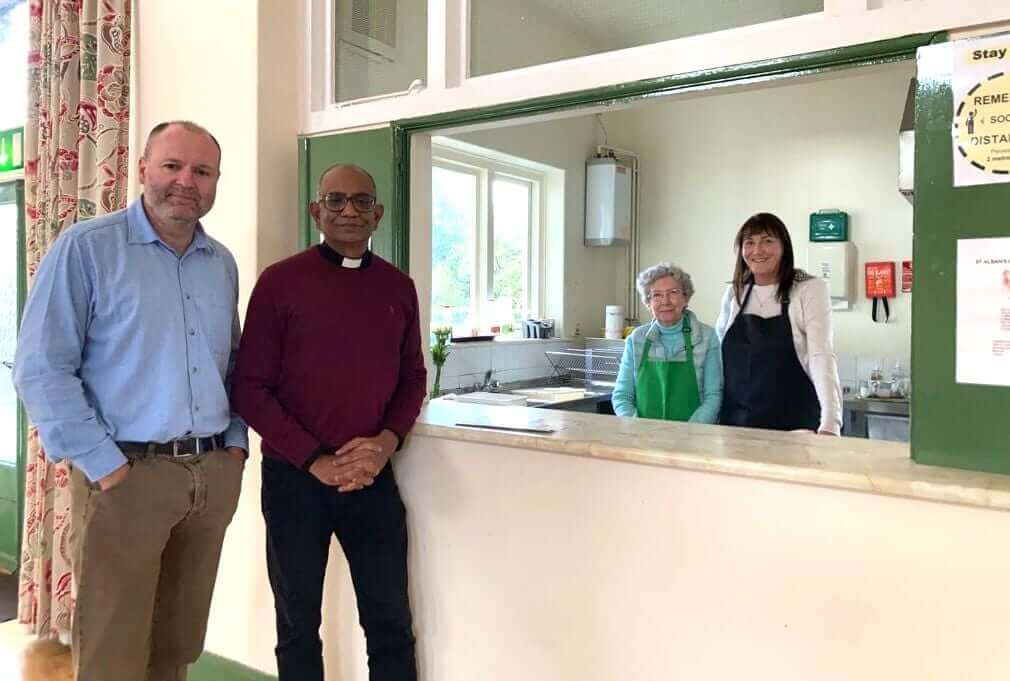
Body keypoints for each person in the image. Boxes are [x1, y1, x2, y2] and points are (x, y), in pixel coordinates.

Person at [12, 120, 248, 681]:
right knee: (113, 650)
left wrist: (233, 447)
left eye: (202, 171)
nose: (186, 181)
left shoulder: (222, 264)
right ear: (142, 168)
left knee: (179, 641)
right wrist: (106, 466)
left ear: (216, 183)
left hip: (210, 476)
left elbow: (234, 363)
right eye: (172, 165)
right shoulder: (87, 250)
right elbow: (42, 369)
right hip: (127, 476)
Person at [231, 163, 427, 681]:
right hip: (296, 481)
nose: (348, 211)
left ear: (378, 214)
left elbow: (413, 379)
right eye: (335, 200)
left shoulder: (398, 288)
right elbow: (250, 389)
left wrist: (385, 443)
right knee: (297, 625)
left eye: (362, 201)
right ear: (316, 210)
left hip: (371, 479)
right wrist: (314, 458)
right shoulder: (280, 284)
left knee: (390, 620)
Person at [716, 212, 842, 434]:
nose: (757, 250)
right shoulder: (734, 293)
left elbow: (821, 356)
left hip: (795, 425)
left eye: (767, 241)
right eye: (749, 243)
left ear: (784, 247)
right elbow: (718, 358)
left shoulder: (809, 288)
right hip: (737, 426)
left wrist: (831, 422)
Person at [612, 262, 723, 423]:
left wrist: (691, 432)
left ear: (686, 298)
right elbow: (622, 395)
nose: (666, 301)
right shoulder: (636, 339)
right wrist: (636, 427)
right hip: (643, 439)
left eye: (673, 292)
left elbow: (713, 395)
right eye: (657, 295)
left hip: (694, 439)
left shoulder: (707, 337)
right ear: (648, 303)